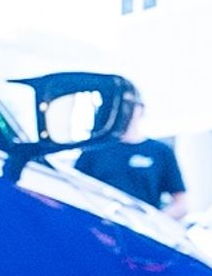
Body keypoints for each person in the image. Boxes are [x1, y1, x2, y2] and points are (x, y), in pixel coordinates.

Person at [72, 87, 189, 217]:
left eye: (129, 104)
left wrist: (154, 222)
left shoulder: (160, 151)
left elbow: (181, 204)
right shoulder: (93, 151)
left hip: (142, 232)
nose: (125, 110)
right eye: (119, 105)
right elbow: (74, 193)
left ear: (141, 108)